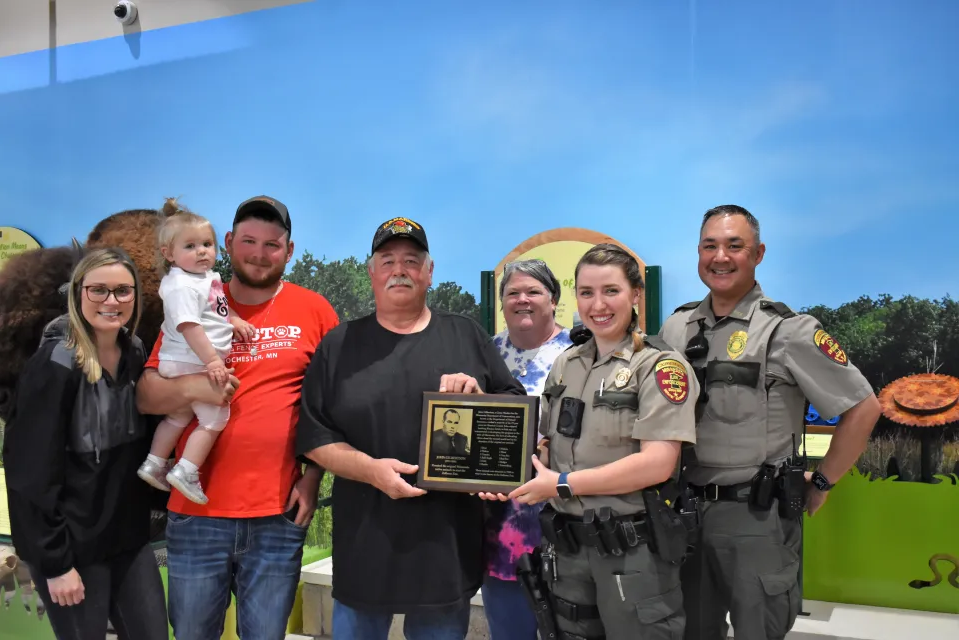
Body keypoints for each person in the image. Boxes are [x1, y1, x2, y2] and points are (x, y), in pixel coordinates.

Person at [295, 216, 526, 640]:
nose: (399, 269)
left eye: (411, 260)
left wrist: (478, 399)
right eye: (387, 260)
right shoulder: (338, 345)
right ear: (371, 271)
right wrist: (370, 470)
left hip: (445, 549)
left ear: (430, 271)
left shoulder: (466, 335)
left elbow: (514, 412)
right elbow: (315, 436)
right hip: (365, 546)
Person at [658, 204, 881, 640]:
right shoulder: (677, 328)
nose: (720, 256)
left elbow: (864, 406)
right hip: (684, 513)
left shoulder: (789, 331)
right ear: (698, 253)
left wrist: (823, 483)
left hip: (756, 517)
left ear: (758, 254)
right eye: (710, 246)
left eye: (734, 246)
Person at [135, 195, 340, 640]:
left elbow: (332, 404)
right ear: (228, 242)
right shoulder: (192, 300)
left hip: (277, 517)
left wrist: (312, 477)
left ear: (290, 250)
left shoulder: (316, 310)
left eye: (272, 244)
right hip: (195, 515)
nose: (259, 253)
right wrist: (197, 387)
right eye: (249, 240)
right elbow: (147, 396)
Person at [481, 243, 699, 640]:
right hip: (568, 551)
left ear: (635, 294)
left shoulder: (658, 365)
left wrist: (561, 485)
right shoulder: (568, 363)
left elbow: (657, 463)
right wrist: (507, 474)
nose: (598, 304)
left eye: (610, 291)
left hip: (632, 553)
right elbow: (549, 443)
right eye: (586, 292)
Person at [3, 248, 168, 640]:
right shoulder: (55, 364)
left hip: (127, 541)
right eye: (99, 290)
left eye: (123, 291)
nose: (112, 301)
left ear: (136, 297)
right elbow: (29, 476)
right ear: (78, 293)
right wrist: (55, 564)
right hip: (72, 548)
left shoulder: (135, 354)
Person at [137, 198, 255, 504]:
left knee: (176, 418)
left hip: (185, 363)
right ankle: (187, 470)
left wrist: (234, 319)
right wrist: (213, 362)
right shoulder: (181, 286)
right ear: (169, 254)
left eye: (206, 244)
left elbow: (212, 313)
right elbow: (190, 326)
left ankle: (154, 462)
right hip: (192, 362)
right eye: (190, 246)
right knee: (215, 419)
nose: (202, 251)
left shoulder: (205, 279)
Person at [483, 258, 572, 640]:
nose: (523, 300)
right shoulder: (483, 352)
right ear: (501, 302)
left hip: (565, 519)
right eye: (512, 292)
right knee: (509, 629)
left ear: (553, 300)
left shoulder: (580, 353)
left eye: (533, 291)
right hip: (498, 519)